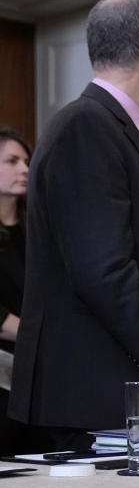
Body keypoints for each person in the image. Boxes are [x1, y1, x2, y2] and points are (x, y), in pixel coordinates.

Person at [8, 0, 139, 450]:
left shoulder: (111, 127)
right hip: (89, 392)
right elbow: (105, 272)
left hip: (115, 385)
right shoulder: (87, 127)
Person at [0, 126, 43, 455]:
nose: (25, 169)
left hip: (40, 371)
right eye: (12, 161)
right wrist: (40, 334)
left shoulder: (38, 229)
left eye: (26, 161)